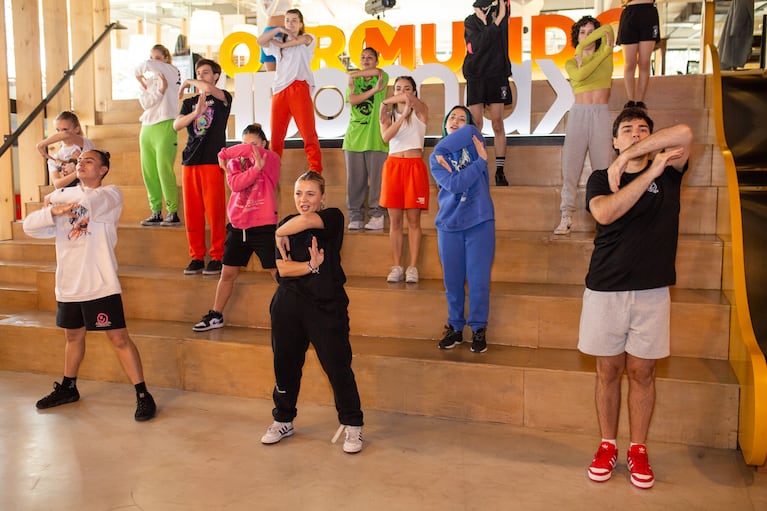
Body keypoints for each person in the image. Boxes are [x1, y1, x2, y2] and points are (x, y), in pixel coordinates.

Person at [579, 108, 692, 489]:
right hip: (605, 289)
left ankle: (638, 448)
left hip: (652, 291)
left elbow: (685, 131)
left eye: (643, 130)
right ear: (613, 140)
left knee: (642, 373)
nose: (635, 134)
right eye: (626, 131)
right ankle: (608, 444)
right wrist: (644, 173)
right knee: (608, 371)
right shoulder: (600, 178)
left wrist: (636, 158)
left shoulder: (670, 169)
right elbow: (606, 214)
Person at [22, 149, 157, 421]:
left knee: (118, 339)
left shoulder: (110, 194)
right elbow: (29, 226)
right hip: (69, 284)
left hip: (100, 283)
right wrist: (53, 210)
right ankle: (68, 387)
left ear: (103, 170)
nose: (82, 164)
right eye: (79, 161)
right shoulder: (64, 201)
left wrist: (57, 195)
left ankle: (143, 394)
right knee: (72, 336)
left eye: (89, 161)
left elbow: (90, 202)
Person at [261, 171, 364, 454]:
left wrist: (279, 232)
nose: (303, 200)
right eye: (298, 193)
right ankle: (283, 419)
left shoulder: (331, 218)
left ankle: (352, 424)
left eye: (310, 194)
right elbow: (282, 269)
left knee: (337, 365)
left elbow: (308, 221)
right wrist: (309, 266)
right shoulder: (285, 223)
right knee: (285, 365)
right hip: (288, 304)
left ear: (322, 197)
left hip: (326, 306)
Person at [193, 124, 280, 332]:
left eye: (254, 143)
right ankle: (216, 315)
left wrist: (225, 153)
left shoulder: (271, 159)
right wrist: (251, 169)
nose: (249, 148)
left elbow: (249, 154)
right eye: (244, 143)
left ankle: (300, 309)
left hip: (263, 226)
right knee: (227, 273)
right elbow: (235, 185)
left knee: (276, 271)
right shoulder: (235, 163)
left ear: (264, 144)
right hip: (238, 226)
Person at [430, 106, 495, 353]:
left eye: (461, 118)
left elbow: (470, 129)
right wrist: (480, 164)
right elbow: (455, 185)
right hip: (449, 225)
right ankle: (455, 327)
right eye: (451, 118)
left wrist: (477, 159)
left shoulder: (474, 140)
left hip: (480, 222)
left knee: (479, 281)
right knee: (453, 281)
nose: (457, 122)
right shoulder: (436, 158)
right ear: (445, 125)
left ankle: (479, 328)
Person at [555, 17, 616, 235]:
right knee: (570, 168)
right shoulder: (572, 63)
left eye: (592, 32)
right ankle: (566, 215)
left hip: (600, 113)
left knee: (604, 167)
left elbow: (609, 28)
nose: (588, 36)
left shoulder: (606, 56)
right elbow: (580, 75)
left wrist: (600, 52)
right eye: (582, 32)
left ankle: (606, 218)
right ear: (576, 36)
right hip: (578, 114)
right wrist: (602, 52)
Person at [174, 58, 232, 276]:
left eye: (206, 72)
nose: (202, 76)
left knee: (215, 210)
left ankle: (217, 255)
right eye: (198, 73)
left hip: (212, 161)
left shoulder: (223, 98)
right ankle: (196, 256)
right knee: (193, 212)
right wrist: (195, 114)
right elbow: (176, 124)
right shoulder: (189, 103)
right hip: (190, 161)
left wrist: (189, 80)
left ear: (216, 75)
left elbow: (208, 89)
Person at [257, 8, 323, 173]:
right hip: (280, 90)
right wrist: (278, 29)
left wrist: (283, 44)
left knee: (308, 134)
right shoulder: (277, 40)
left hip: (299, 87)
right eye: (287, 20)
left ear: (301, 23)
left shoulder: (308, 39)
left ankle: (315, 170)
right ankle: (271, 173)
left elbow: (301, 41)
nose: (290, 23)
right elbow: (260, 41)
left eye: (294, 20)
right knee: (276, 138)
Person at [378, 76, 429, 284]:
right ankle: (398, 265)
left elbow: (411, 100)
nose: (402, 92)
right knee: (395, 221)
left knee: (414, 221)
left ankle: (413, 267)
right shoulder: (388, 115)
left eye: (407, 88)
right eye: (397, 88)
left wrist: (405, 106)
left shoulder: (421, 110)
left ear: (414, 91)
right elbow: (386, 137)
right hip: (393, 167)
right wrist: (400, 115)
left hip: (414, 167)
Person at [463, 0, 513, 186]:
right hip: (476, 75)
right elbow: (476, 47)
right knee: (475, 124)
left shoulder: (501, 12)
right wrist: (486, 23)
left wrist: (499, 17)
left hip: (497, 74)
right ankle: (477, 167)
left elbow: (497, 35)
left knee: (497, 122)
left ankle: (500, 170)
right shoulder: (470, 21)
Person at [135, 44, 182, 227]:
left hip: (166, 125)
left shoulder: (171, 71)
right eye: (151, 56)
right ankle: (155, 211)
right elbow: (146, 103)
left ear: (165, 58)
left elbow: (143, 66)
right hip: (147, 127)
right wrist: (159, 90)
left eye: (158, 57)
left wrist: (142, 74)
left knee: (164, 170)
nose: (153, 60)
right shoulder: (151, 80)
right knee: (149, 172)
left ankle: (172, 212)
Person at [343, 47, 389, 231]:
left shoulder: (381, 76)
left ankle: (377, 215)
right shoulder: (354, 80)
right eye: (363, 57)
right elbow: (353, 100)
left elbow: (377, 73)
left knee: (378, 180)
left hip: (376, 138)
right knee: (355, 180)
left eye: (370, 57)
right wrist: (369, 89)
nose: (366, 59)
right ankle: (355, 216)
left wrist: (353, 76)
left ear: (377, 60)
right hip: (354, 139)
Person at [617, 0, 660, 109]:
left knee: (644, 62)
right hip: (630, 13)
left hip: (649, 13)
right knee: (630, 63)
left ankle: (640, 101)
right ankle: (631, 100)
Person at [36, 111, 94, 189]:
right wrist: (78, 171)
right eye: (58, 130)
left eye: (65, 129)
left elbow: (67, 135)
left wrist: (40, 145)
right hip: (66, 195)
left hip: (86, 192)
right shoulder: (55, 158)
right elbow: (57, 184)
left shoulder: (85, 144)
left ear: (76, 129)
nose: (60, 134)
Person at [258, 0, 293, 72]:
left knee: (287, 72)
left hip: (286, 32)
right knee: (271, 75)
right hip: (270, 34)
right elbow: (268, 13)